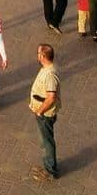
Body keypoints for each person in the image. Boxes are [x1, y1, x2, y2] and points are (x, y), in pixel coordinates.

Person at [29, 42, 62, 181]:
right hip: (42, 111)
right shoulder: (46, 68)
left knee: (47, 141)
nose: (37, 55)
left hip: (45, 114)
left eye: (38, 53)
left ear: (43, 56)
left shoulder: (50, 74)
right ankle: (48, 164)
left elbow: (51, 97)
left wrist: (40, 111)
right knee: (44, 140)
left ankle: (50, 170)